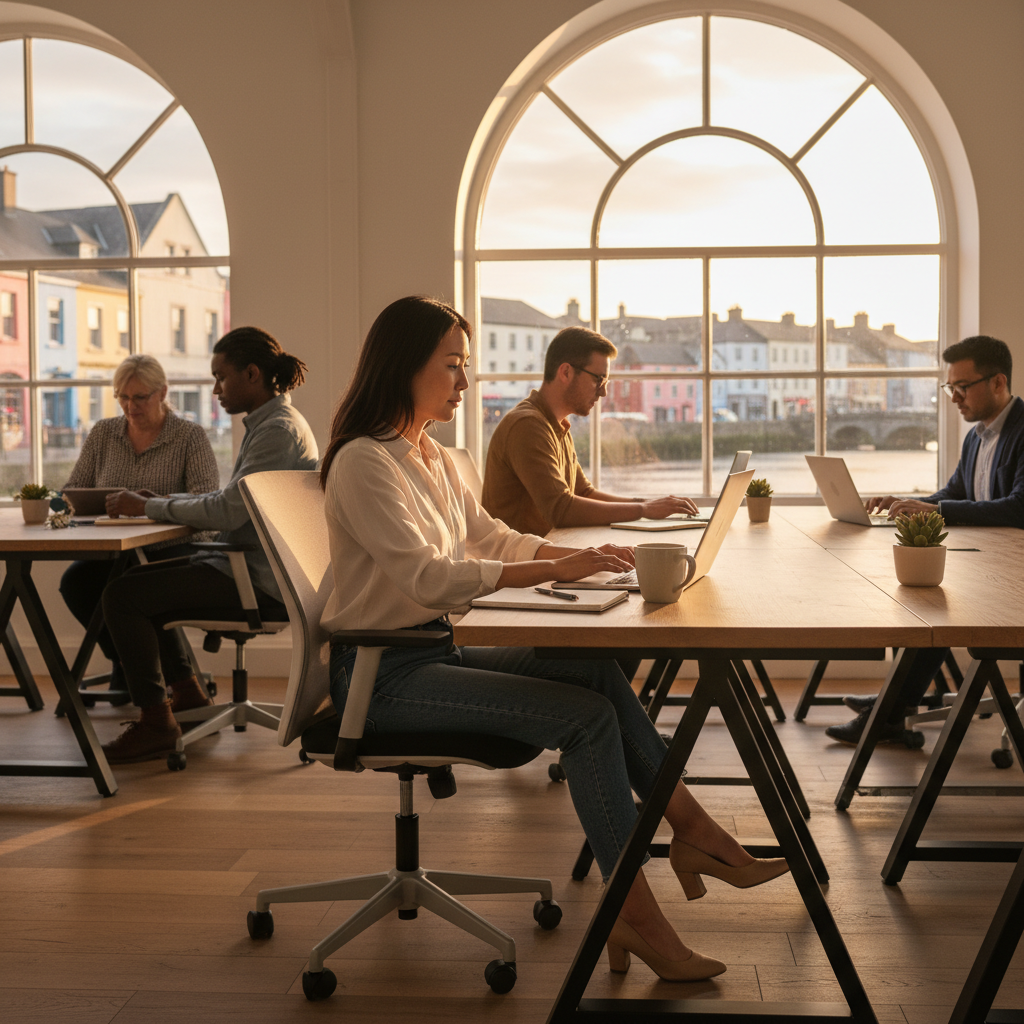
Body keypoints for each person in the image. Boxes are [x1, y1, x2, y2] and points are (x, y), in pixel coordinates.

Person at [320, 295, 789, 983]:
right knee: (588, 720)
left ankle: (693, 832)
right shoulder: (364, 462)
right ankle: (635, 915)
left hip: (432, 652)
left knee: (594, 674)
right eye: (451, 366)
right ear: (403, 366)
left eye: (465, 367)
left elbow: (492, 538)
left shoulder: (439, 460)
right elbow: (427, 578)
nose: (464, 381)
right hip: (381, 675)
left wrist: (578, 557)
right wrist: (550, 566)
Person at [99, 326, 319, 764]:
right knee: (131, 581)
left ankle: (157, 722)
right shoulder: (274, 424)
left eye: (221, 377)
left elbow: (228, 512)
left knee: (123, 597)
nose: (216, 389)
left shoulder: (276, 431)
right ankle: (186, 695)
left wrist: (151, 507)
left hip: (257, 581)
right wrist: (158, 505)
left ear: (252, 374)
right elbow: (230, 504)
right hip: (253, 570)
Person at [827, 335, 1024, 744]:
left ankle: (888, 714)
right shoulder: (978, 435)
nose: (953, 397)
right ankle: (893, 704)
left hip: (1013, 582)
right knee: (919, 596)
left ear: (998, 383)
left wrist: (935, 511)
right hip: (989, 568)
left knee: (933, 608)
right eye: (949, 387)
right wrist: (905, 502)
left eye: (961, 387)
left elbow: (1018, 507)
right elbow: (952, 494)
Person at [60, 354, 219, 693]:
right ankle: (129, 660)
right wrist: (58, 502)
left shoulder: (190, 436)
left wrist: (151, 506)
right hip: (115, 548)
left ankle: (162, 683)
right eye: (123, 397)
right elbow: (74, 489)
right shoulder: (103, 433)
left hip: (172, 546)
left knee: (136, 581)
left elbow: (206, 500)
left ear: (162, 393)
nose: (130, 406)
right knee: (75, 583)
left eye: (139, 397)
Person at [482, 326, 700, 537]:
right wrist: (643, 511)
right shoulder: (527, 426)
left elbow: (584, 493)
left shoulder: (557, 425)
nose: (604, 392)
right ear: (566, 372)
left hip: (548, 556)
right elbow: (560, 510)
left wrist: (645, 505)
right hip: (522, 566)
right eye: (598, 379)